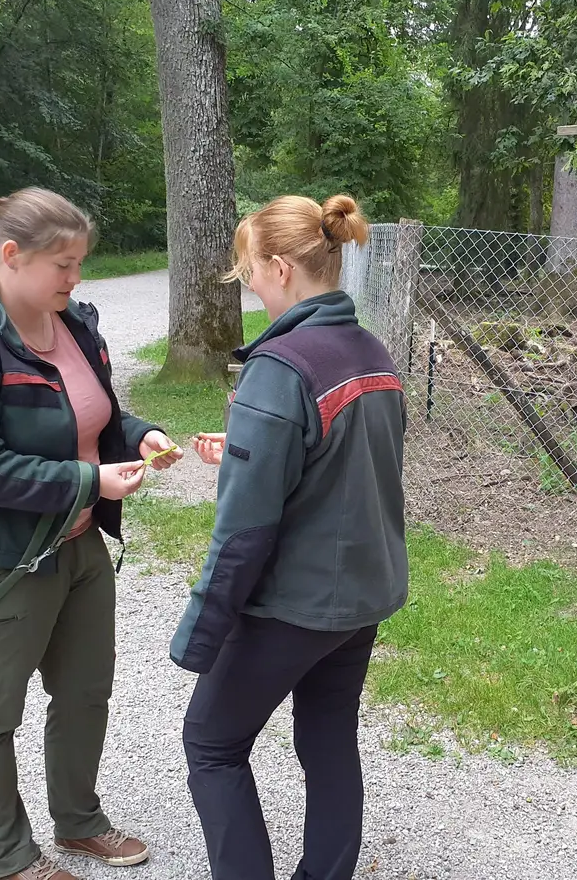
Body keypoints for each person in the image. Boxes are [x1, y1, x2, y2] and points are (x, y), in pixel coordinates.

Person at [0, 188, 181, 880]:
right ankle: (9, 858)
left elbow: (97, 413)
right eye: (63, 263)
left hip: (75, 541)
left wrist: (139, 433)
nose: (75, 277)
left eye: (80, 262)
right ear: (8, 256)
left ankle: (80, 824)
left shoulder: (75, 325)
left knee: (86, 690)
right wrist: (90, 483)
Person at [172, 194, 407, 880]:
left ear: (279, 268)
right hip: (362, 595)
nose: (249, 288)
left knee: (211, 744)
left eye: (249, 273)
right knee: (329, 739)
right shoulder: (371, 350)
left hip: (294, 605)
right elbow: (344, 465)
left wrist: (200, 630)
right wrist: (245, 447)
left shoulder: (281, 365)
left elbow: (244, 531)